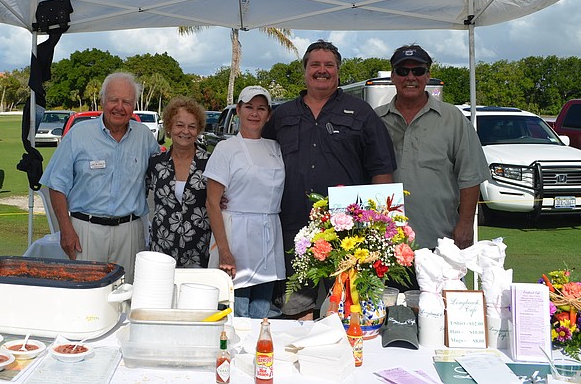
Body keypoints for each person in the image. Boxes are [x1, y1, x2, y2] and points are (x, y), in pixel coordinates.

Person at [263, 40, 397, 319]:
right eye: (315, 65)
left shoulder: (360, 113)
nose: (321, 70)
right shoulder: (283, 116)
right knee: (296, 310)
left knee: (350, 308)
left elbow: (381, 169)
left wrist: (378, 226)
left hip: (347, 233)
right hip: (293, 231)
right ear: (304, 71)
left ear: (338, 71)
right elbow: (258, 163)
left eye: (328, 65)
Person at [40, 72, 159, 283]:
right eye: (114, 100)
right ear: (103, 100)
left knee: (126, 297)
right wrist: (66, 230)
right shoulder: (78, 135)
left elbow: (167, 170)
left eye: (126, 102)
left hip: (130, 233)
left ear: (134, 106)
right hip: (85, 232)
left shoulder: (145, 137)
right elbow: (56, 186)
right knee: (84, 298)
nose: (119, 107)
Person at [375, 44, 490, 251]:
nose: (411, 77)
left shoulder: (452, 118)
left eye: (418, 71)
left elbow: (471, 175)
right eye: (403, 71)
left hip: (440, 240)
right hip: (385, 243)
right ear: (392, 76)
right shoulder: (375, 119)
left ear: (428, 76)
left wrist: (465, 224)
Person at [205, 86, 286, 318]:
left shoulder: (275, 148)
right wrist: (224, 251)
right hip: (235, 238)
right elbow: (212, 202)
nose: (255, 113)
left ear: (269, 115)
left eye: (261, 109)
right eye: (249, 107)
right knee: (235, 313)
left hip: (268, 240)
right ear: (238, 110)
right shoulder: (225, 149)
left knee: (262, 315)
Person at [146, 97, 211, 268]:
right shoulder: (156, 162)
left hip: (198, 250)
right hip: (161, 249)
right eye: (180, 125)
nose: (185, 131)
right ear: (169, 128)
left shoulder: (211, 163)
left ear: (198, 130)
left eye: (192, 126)